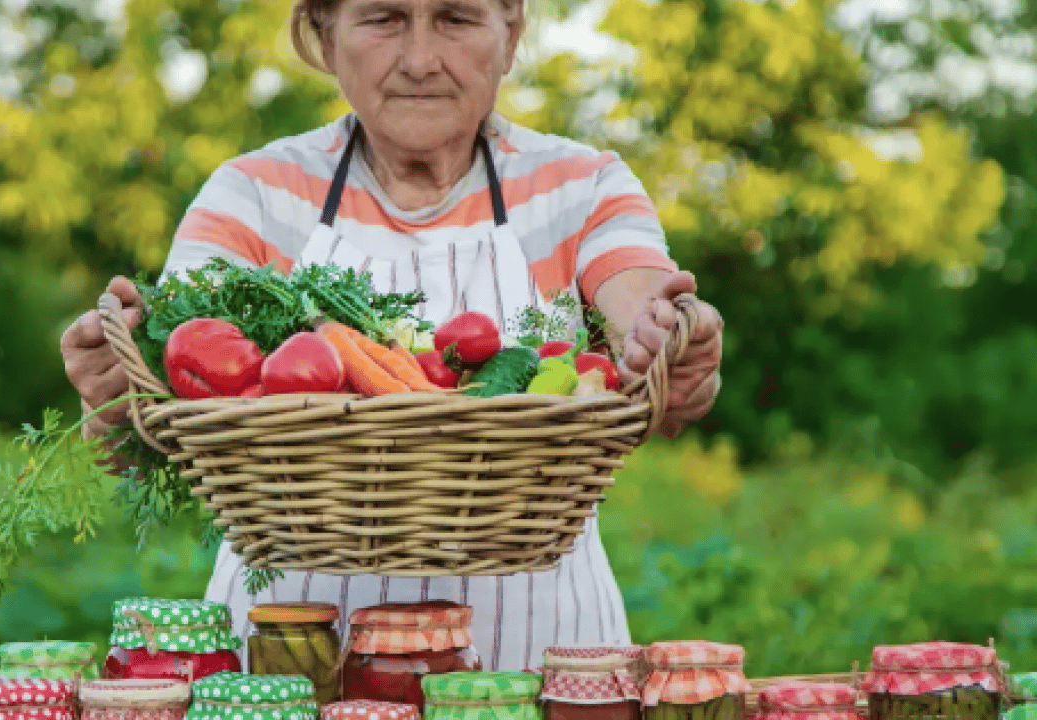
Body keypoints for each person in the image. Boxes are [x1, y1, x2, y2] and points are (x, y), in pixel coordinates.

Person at [61, 0, 723, 671]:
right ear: (324, 33)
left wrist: (669, 341)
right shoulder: (253, 196)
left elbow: (643, 307)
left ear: (511, 32)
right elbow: (145, 413)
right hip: (291, 669)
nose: (419, 60)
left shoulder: (582, 187)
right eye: (383, 18)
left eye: (457, 18)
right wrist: (113, 396)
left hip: (546, 664)